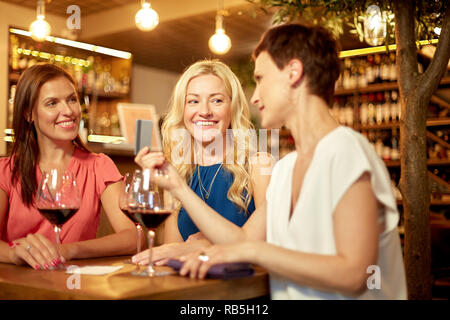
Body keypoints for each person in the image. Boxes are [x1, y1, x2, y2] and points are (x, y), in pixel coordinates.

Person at [141, 24, 407, 299]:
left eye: (260, 78)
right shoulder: (284, 169)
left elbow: (356, 275)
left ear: (293, 73)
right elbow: (243, 241)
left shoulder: (345, 151)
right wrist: (178, 187)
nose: (254, 97)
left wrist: (251, 251)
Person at [132, 60, 273, 266]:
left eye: (216, 101)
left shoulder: (259, 165)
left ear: (233, 107)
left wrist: (205, 246)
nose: (204, 111)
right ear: (182, 109)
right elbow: (172, 252)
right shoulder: (177, 170)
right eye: (193, 101)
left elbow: (268, 248)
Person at [0, 63, 137, 270]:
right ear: (29, 114)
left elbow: (133, 238)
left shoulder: (99, 166)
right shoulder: (6, 171)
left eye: (72, 99)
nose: (68, 111)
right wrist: (13, 253)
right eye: (52, 103)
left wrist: (67, 250)